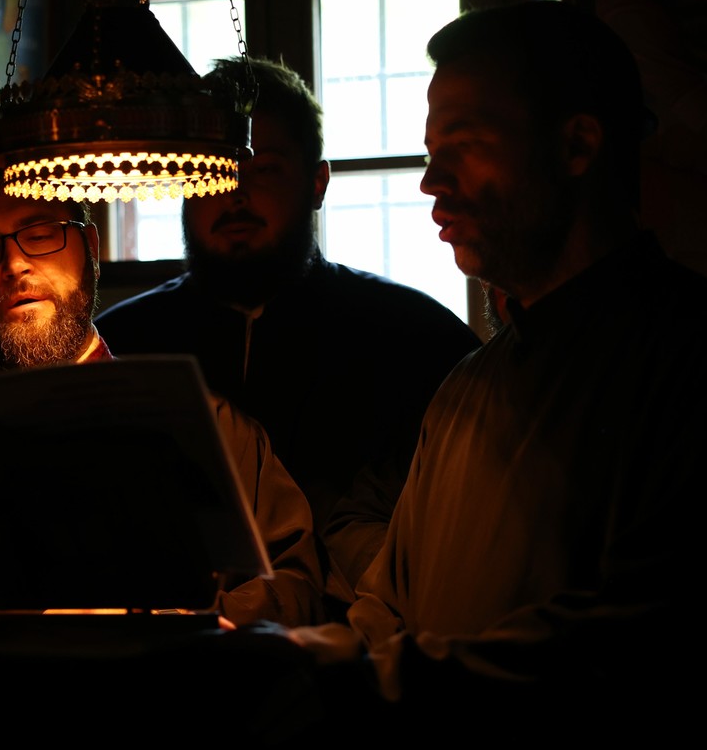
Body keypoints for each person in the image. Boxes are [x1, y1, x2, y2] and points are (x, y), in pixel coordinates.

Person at [284, 0, 707, 750]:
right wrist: (287, 659)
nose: (431, 183)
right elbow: (388, 606)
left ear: (578, 145)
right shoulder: (465, 391)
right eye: (430, 152)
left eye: (463, 145)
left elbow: (637, 651)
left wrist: (320, 680)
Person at [96, 57, 480, 603]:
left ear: (317, 183)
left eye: (265, 170)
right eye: (214, 170)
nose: (234, 194)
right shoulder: (121, 346)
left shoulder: (418, 339)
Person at [0, 141, 327, 630]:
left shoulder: (206, 426)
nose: (14, 265)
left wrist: (163, 626)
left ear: (91, 248)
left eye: (40, 234)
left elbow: (296, 588)